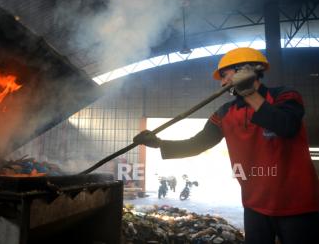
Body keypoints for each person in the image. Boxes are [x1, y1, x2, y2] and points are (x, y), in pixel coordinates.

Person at [133, 47, 319, 244]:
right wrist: (159, 143)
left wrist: (250, 94)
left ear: (246, 70)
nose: (222, 83)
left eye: (225, 75)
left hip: (297, 204)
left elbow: (286, 126)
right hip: (254, 205)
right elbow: (197, 144)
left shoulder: (285, 96)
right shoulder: (224, 113)